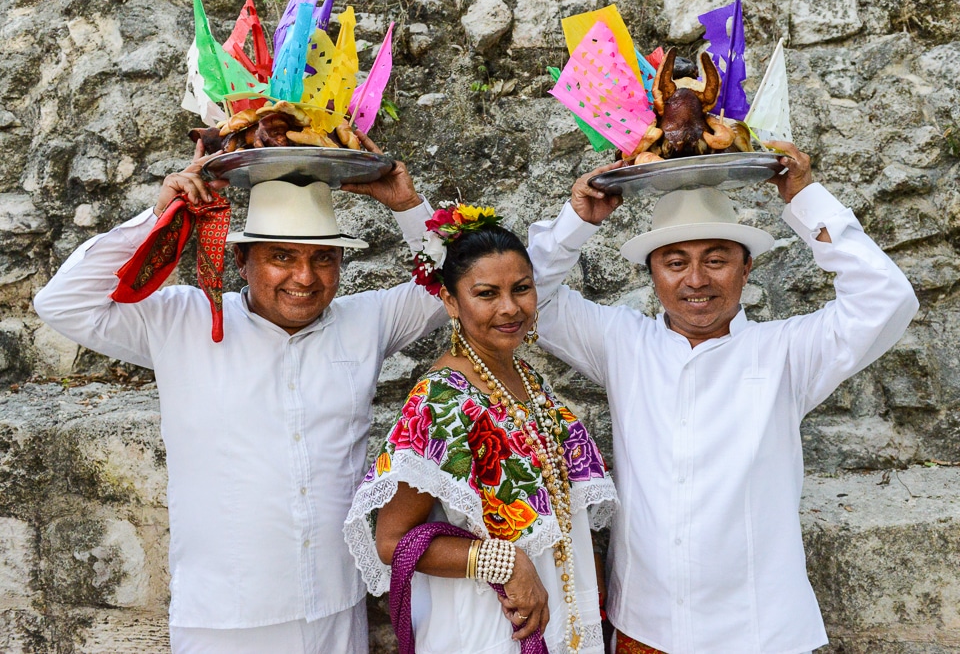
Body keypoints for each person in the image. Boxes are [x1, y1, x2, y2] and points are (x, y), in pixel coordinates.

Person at [32, 133, 448, 654]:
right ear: (242, 261)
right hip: (223, 618)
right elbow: (62, 302)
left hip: (335, 610)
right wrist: (158, 217)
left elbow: (455, 285)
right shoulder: (181, 320)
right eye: (282, 257)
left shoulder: (368, 321)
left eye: (324, 259)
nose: (305, 277)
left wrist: (408, 206)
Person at [526, 142, 919, 654]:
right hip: (646, 625)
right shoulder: (621, 342)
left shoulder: (786, 351)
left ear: (746, 268)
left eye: (716, 260)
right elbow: (527, 295)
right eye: (675, 262)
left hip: (759, 631)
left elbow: (887, 299)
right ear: (652, 273)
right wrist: (576, 223)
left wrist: (805, 200)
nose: (696, 280)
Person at [344, 203, 618, 654]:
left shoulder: (528, 381)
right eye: (487, 293)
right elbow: (391, 541)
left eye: (522, 289)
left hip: (558, 612)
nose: (510, 309)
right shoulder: (441, 400)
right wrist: (505, 561)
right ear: (451, 301)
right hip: (486, 630)